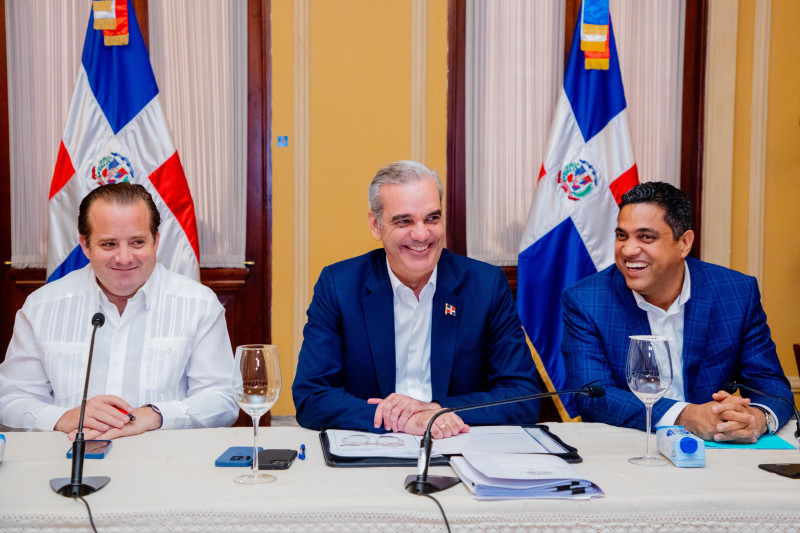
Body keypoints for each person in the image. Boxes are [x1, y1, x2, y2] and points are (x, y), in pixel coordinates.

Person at [292, 161, 541, 438]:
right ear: (376, 225)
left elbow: (524, 397)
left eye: (432, 218)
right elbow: (310, 396)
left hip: (457, 443)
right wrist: (397, 420)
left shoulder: (485, 286)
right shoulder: (339, 285)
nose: (421, 234)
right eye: (404, 221)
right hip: (371, 444)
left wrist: (436, 411)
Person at [0, 183, 238, 439]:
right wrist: (63, 418)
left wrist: (156, 416)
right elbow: (10, 398)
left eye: (137, 242)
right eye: (109, 244)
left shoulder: (198, 304)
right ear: (85, 245)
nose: (124, 258)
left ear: (156, 241)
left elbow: (223, 399)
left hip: (166, 465)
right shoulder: (41, 307)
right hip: (65, 461)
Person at [562, 181, 793, 442]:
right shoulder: (586, 300)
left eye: (646, 237)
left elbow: (771, 385)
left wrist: (757, 419)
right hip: (633, 446)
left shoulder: (736, 292)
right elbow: (592, 395)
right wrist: (686, 416)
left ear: (684, 243)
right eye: (622, 236)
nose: (628, 250)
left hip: (718, 449)